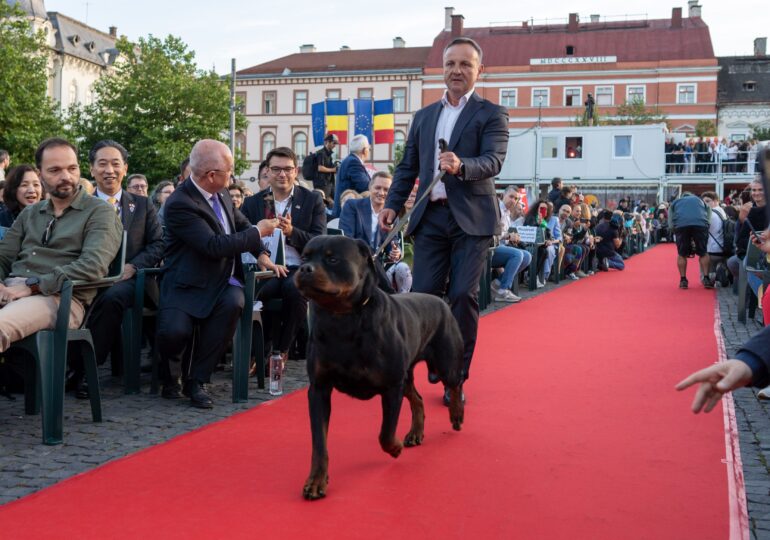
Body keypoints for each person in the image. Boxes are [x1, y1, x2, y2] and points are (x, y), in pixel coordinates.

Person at [379, 37, 509, 404]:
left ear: (479, 71)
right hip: (431, 218)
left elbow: (493, 161)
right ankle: (435, 355)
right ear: (442, 68)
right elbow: (407, 167)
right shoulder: (423, 117)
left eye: (465, 64)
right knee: (422, 297)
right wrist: (393, 204)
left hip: (473, 220)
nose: (457, 71)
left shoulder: (492, 114)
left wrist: (462, 165)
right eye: (451, 64)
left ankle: (456, 377)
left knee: (461, 296)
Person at [156, 139, 280, 408]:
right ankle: (170, 378)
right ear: (211, 175)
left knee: (233, 302)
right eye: (229, 170)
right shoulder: (180, 203)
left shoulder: (221, 192)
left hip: (223, 279)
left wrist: (261, 252)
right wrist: (259, 231)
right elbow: (214, 246)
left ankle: (197, 381)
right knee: (174, 332)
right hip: (188, 282)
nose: (232, 176)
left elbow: (240, 223)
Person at [0, 138, 122, 351]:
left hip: (61, 298)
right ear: (40, 174)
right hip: (13, 289)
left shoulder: (100, 212)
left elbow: (92, 265)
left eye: (72, 168)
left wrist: (32, 286)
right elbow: (3, 256)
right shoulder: (30, 213)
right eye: (55, 170)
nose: (66, 176)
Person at [74, 140, 164, 395]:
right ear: (91, 169)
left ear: (125, 168)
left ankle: (83, 371)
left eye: (115, 164)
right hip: (90, 279)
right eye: (102, 164)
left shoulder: (143, 205)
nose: (109, 170)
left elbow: (159, 245)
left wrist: (133, 266)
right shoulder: (80, 206)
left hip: (131, 281)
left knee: (112, 298)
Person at [240, 146, 326, 365]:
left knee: (295, 290)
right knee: (260, 291)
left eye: (287, 169)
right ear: (267, 172)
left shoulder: (312, 200)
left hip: (298, 266)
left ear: (296, 171)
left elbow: (319, 241)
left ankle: (281, 350)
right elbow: (242, 237)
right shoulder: (252, 203)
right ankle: (258, 348)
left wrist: (292, 232)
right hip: (265, 266)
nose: (282, 174)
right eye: (276, 169)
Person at [341, 171, 411, 293]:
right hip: (354, 259)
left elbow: (392, 243)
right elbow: (347, 238)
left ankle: (394, 297)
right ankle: (391, 295)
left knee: (401, 267)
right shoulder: (352, 206)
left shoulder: (391, 214)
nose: (381, 193)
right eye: (378, 188)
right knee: (368, 250)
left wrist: (396, 251)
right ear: (370, 187)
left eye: (386, 189)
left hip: (378, 264)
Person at [669, 192, 712, 289]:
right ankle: (706, 278)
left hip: (681, 225)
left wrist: (674, 230)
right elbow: (709, 209)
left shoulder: (676, 202)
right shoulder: (699, 200)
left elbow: (670, 221)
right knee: (703, 252)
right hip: (700, 224)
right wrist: (707, 224)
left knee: (681, 254)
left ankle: (683, 280)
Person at [332, 134, 371, 218]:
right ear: (364, 150)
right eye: (369, 148)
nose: (369, 151)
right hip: (347, 214)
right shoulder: (353, 162)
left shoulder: (349, 160)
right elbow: (365, 186)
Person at [315, 134, 338, 200]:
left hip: (329, 183)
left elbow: (329, 166)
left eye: (335, 144)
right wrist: (333, 169)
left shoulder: (329, 154)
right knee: (325, 203)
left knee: (334, 201)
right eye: (334, 143)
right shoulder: (321, 153)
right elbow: (320, 168)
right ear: (328, 142)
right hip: (322, 184)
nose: (335, 145)